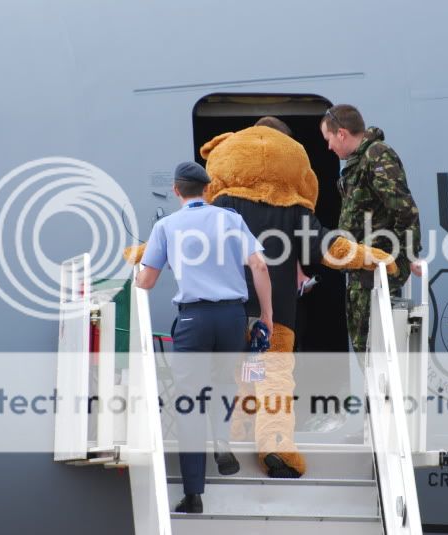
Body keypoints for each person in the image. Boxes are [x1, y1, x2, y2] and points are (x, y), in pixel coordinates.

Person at [199, 118, 396, 478]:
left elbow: (187, 240)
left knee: (240, 373)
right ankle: (275, 446)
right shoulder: (291, 209)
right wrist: (374, 257)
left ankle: (234, 435)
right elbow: (327, 247)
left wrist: (143, 254)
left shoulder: (220, 206)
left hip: (227, 313)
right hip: (274, 318)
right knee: (273, 379)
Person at [134, 161, 273, 513]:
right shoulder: (231, 219)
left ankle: (194, 493)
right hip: (231, 316)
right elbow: (259, 265)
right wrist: (267, 317)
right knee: (226, 382)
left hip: (194, 319)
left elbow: (146, 282)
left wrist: (137, 270)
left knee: (189, 404)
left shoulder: (166, 226)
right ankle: (222, 440)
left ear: (177, 191)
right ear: (207, 190)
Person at [320, 104, 422, 359]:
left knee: (375, 354)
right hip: (362, 272)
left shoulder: (376, 156)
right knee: (365, 351)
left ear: (341, 133)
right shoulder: (358, 163)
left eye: (329, 139)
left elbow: (405, 210)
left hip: (377, 273)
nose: (328, 147)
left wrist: (404, 260)